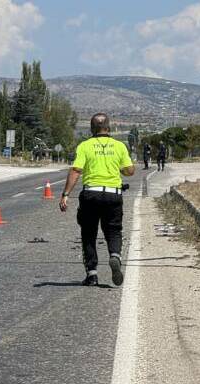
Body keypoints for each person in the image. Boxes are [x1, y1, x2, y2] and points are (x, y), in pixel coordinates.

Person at [59, 113, 135, 287]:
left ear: (92, 128)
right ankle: (114, 256)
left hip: (90, 195)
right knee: (114, 230)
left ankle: (92, 274)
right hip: (113, 194)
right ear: (108, 127)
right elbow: (130, 171)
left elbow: (76, 171)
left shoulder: (85, 146)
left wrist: (65, 194)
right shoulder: (119, 146)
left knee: (88, 233)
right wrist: (120, 169)